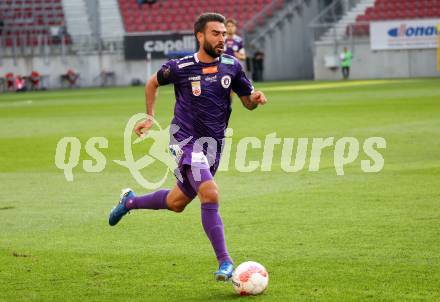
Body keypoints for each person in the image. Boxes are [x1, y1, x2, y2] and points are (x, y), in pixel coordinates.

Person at [108, 12, 267, 281]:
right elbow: (152, 82)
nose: (222, 39)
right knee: (210, 193)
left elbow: (247, 102)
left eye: (224, 34)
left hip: (213, 146)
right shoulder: (180, 67)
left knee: (176, 202)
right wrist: (149, 116)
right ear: (200, 36)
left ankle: (130, 201)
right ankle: (226, 262)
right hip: (184, 140)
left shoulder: (232, 65)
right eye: (216, 33)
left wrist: (254, 98)